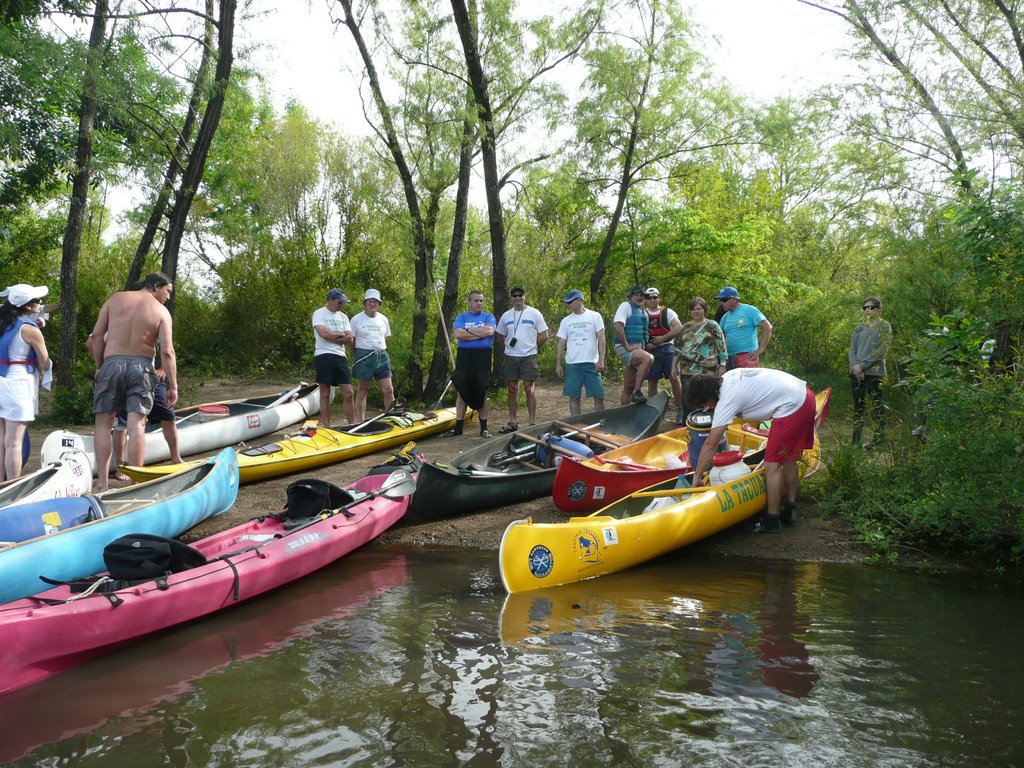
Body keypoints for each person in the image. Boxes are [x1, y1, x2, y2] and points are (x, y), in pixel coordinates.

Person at [688, 368, 816, 534]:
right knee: (789, 458)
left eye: (705, 403)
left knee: (772, 465)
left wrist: (697, 475)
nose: (706, 408)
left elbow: (710, 445)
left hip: (793, 406)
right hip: (804, 395)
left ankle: (772, 520)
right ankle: (790, 508)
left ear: (710, 396)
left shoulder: (727, 400)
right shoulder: (727, 378)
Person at [90, 272, 177, 492]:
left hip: (111, 364)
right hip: (142, 366)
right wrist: (173, 386)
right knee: (137, 425)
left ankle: (101, 484)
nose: (168, 297)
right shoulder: (161, 312)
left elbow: (97, 337)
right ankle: (137, 485)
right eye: (167, 291)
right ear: (156, 286)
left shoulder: (115, 299)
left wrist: (100, 366)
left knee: (103, 424)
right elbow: (167, 352)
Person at [0, 284, 52, 480]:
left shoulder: (4, 322)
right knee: (14, 443)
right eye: (38, 301)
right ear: (28, 306)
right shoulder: (30, 330)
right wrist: (37, 331)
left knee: (1, 442)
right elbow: (45, 363)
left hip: (0, 379)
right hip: (17, 383)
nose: (40, 303)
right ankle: (12, 487)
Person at [495, 286, 549, 432]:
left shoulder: (534, 313)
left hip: (528, 356)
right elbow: (500, 336)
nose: (518, 298)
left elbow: (544, 335)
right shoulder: (506, 316)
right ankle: (513, 422)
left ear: (525, 296)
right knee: (512, 388)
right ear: (511, 298)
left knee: (529, 388)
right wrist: (508, 346)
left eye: (520, 295)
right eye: (515, 296)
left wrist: (534, 348)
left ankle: (531, 423)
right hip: (511, 356)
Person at [445, 290, 496, 438]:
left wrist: (468, 332)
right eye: (476, 300)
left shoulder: (488, 316)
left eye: (481, 300)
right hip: (465, 356)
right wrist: (478, 333)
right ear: (470, 302)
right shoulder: (462, 317)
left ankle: (484, 428)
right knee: (462, 389)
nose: (479, 303)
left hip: (483, 356)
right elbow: (458, 334)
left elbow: (489, 331)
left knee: (482, 390)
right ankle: (458, 427)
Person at [675, 296, 727, 424]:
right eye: (693, 309)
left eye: (699, 309)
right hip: (687, 370)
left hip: (707, 370)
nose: (696, 312)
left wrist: (723, 364)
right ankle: (687, 426)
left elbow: (722, 346)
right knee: (688, 399)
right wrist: (673, 367)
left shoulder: (712, 325)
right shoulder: (685, 327)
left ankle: (711, 425)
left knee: (708, 398)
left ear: (704, 310)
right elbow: (678, 348)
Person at [849, 296, 891, 448]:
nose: (867, 310)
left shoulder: (885, 326)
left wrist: (863, 366)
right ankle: (855, 442)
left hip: (875, 373)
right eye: (865, 307)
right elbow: (852, 349)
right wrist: (855, 367)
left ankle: (879, 440)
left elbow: (882, 349)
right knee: (858, 407)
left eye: (871, 307)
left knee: (877, 406)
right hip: (856, 373)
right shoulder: (859, 328)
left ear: (879, 309)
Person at [555, 289, 606, 416]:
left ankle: (601, 424)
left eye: (570, 302)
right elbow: (561, 343)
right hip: (573, 364)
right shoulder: (566, 321)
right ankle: (577, 426)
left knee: (598, 396)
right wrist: (558, 363)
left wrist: (601, 359)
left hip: (592, 363)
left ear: (579, 300)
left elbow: (601, 339)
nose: (568, 304)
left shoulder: (595, 316)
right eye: (566, 302)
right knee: (574, 397)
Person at [312, 288, 355, 428]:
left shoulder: (343, 317)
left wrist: (333, 335)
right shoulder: (319, 313)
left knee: (348, 392)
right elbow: (323, 334)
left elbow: (349, 337)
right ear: (330, 300)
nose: (341, 305)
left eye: (342, 303)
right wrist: (340, 335)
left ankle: (352, 425)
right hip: (323, 355)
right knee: (325, 392)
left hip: (340, 356)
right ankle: (327, 426)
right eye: (339, 302)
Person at [349, 288, 395, 421]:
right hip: (364, 356)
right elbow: (352, 340)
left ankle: (391, 417)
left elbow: (385, 338)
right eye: (370, 301)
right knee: (362, 390)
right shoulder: (356, 320)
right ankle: (360, 420)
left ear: (379, 304)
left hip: (382, 356)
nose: (373, 304)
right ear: (365, 303)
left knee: (388, 389)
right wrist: (358, 353)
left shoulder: (384, 319)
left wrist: (380, 351)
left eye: (375, 302)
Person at [641, 287, 683, 411]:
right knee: (652, 380)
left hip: (667, 348)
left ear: (659, 298)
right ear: (645, 300)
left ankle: (680, 408)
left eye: (655, 297)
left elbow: (678, 327)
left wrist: (663, 338)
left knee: (674, 378)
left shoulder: (667, 312)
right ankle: (653, 409)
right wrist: (647, 344)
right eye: (649, 297)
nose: (652, 300)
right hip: (650, 350)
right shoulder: (642, 313)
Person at [613, 285, 653, 404]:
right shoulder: (626, 306)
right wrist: (627, 346)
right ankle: (638, 392)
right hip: (625, 348)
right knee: (648, 358)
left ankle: (624, 413)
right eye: (636, 295)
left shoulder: (643, 312)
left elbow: (643, 332)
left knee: (628, 386)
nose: (639, 297)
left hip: (637, 349)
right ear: (631, 297)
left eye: (641, 295)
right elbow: (617, 325)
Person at [715, 286, 772, 369]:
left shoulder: (749, 310)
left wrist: (761, 348)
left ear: (734, 299)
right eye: (720, 300)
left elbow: (767, 327)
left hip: (747, 357)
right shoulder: (725, 317)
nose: (721, 303)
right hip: (729, 359)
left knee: (748, 382)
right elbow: (719, 337)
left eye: (724, 300)